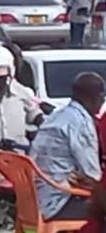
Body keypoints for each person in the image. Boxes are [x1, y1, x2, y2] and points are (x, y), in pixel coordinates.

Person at [30, 71, 104, 222]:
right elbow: (93, 175)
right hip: (58, 204)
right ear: (95, 96)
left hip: (35, 201)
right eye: (103, 96)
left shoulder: (57, 115)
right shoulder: (80, 123)